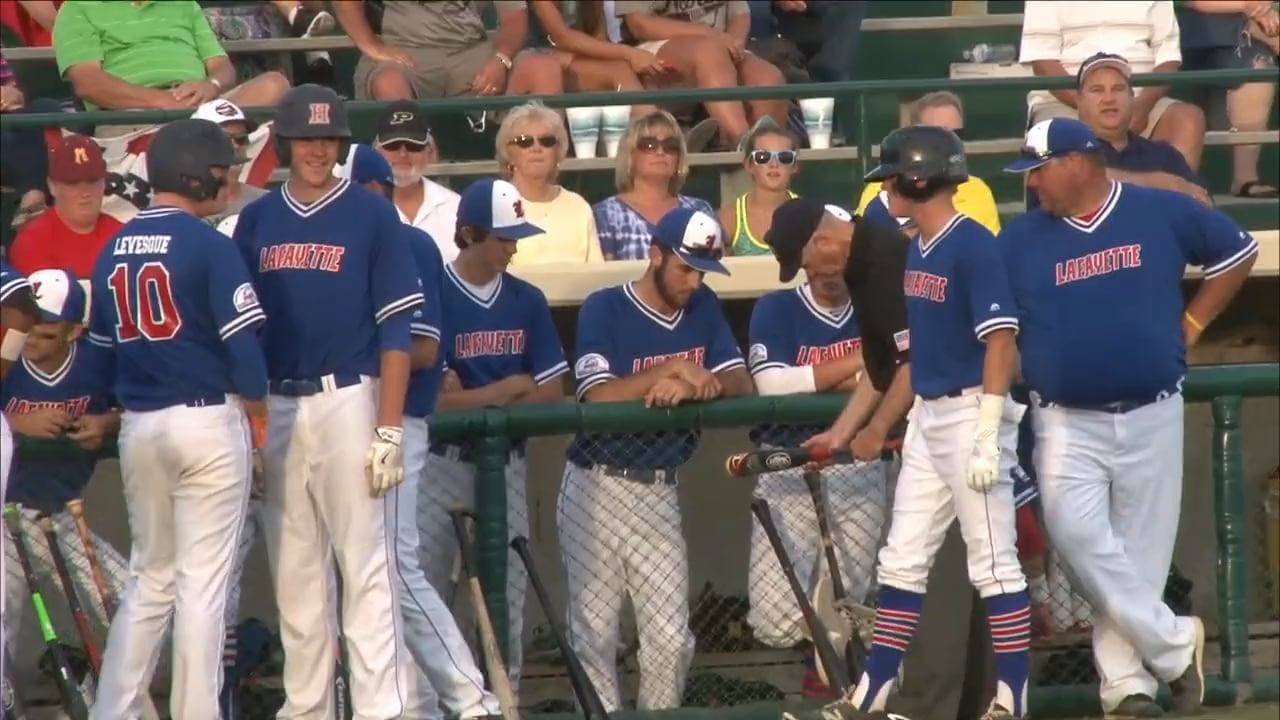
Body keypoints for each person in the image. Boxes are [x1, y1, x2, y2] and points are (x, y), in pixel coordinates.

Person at [1001, 117, 1259, 718]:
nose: (1033, 183)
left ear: (1077, 162)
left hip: (1151, 412)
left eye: (1039, 169)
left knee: (1139, 557)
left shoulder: (1156, 211)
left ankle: (1128, 687)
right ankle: (1173, 647)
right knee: (1075, 534)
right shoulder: (1019, 240)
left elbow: (1239, 251)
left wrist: (1191, 326)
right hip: (1065, 419)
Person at [804, 126, 1030, 720]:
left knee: (992, 562)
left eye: (892, 179)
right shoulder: (920, 246)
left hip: (973, 411)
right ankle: (872, 694)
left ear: (919, 178)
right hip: (931, 414)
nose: (886, 190)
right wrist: (861, 426)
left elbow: (1002, 342)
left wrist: (986, 431)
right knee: (901, 559)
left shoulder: (972, 244)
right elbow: (907, 360)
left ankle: (1012, 699)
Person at [231, 84, 424, 718]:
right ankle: (307, 708)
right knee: (297, 578)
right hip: (279, 406)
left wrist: (389, 429)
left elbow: (398, 330)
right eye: (307, 138)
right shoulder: (257, 219)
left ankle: (383, 712)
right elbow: (243, 336)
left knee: (366, 567)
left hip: (349, 398)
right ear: (286, 143)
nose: (318, 149)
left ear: (341, 144)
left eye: (328, 139)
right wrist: (252, 428)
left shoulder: (371, 214)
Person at [87, 117, 269, 720]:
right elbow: (247, 358)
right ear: (193, 173)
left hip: (140, 427)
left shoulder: (113, 246)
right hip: (206, 423)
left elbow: (102, 353)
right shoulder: (209, 245)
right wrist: (260, 418)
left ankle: (115, 711)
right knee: (202, 586)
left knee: (149, 578)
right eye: (221, 169)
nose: (228, 178)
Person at [562, 207, 753, 711]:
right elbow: (596, 398)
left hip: (659, 487)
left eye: (702, 271)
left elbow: (740, 381)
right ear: (655, 255)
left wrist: (698, 388)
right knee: (595, 635)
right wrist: (669, 370)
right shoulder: (605, 307)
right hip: (594, 485)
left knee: (670, 639)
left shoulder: (704, 306)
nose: (693, 282)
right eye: (685, 268)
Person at [418, 177, 571, 695]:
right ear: (470, 234)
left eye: (514, 238)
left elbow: (552, 390)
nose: (512, 247)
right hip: (440, 462)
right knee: (426, 596)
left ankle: (502, 700)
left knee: (506, 596)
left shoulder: (526, 299)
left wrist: (472, 395)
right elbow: (431, 401)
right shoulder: (432, 291)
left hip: (507, 463)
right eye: (503, 238)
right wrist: (507, 387)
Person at [745, 221, 885, 699]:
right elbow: (772, 384)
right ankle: (816, 668)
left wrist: (820, 376)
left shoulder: (874, 303)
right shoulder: (776, 307)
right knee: (774, 618)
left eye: (837, 268)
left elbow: (892, 373)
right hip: (788, 462)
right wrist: (856, 365)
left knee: (848, 602)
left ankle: (833, 688)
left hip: (856, 465)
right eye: (818, 269)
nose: (829, 277)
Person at [0, 269, 129, 701]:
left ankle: (99, 699)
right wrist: (16, 424)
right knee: (5, 625)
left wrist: (107, 423)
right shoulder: (6, 357)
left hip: (62, 514)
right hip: (7, 515)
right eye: (28, 330)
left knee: (131, 608)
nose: (31, 341)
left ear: (75, 331)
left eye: (47, 334)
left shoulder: (97, 361)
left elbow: (138, 411)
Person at [1018, 0, 1207, 171]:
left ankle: (1176, 202)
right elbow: (1043, 63)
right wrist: (1089, 106)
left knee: (1188, 119)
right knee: (1060, 134)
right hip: (1066, 103)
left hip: (1141, 99)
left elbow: (1169, 59)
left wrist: (1140, 106)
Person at [52, 0, 288, 117]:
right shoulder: (77, 8)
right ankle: (209, 137)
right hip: (134, 114)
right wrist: (161, 101)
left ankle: (205, 133)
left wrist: (210, 85)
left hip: (200, 107)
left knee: (275, 84)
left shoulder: (183, 4)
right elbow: (88, 84)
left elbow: (222, 67)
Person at [615, 0, 788, 149]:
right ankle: (741, 143)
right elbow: (640, 25)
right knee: (709, 52)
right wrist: (709, 34)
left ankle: (769, 155)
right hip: (654, 50)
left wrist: (735, 44)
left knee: (768, 78)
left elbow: (740, 14)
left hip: (719, 43)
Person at [1061, 53, 1210, 207]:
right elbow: (1067, 181)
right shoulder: (1065, 152)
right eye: (1097, 90)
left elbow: (1202, 204)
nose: (1109, 99)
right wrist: (1158, 183)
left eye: (1118, 89)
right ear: (1079, 101)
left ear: (1132, 98)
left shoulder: (1165, 156)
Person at [340, 0, 561, 101]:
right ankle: (417, 179)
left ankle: (541, 188)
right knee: (388, 81)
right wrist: (371, 46)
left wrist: (501, 59)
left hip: (471, 49)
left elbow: (514, 18)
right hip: (408, 51)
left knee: (544, 68)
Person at [856, 91, 1001, 236]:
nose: (949, 144)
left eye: (957, 135)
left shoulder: (978, 191)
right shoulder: (882, 191)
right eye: (938, 135)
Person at [1179, 0, 1278, 198]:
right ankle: (1245, 177)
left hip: (1251, 26)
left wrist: (1260, 8)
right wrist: (1249, 7)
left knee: (1258, 61)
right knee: (1255, 67)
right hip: (1202, 32)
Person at [595, 110, 716, 260]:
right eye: (649, 145)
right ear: (630, 155)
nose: (660, 152)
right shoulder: (606, 215)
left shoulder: (699, 210)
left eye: (670, 146)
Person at [496, 101, 604, 264]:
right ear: (508, 153)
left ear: (558, 151)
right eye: (524, 141)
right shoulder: (495, 205)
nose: (536, 148)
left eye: (547, 141)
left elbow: (597, 274)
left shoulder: (578, 206)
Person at [9, 135, 124, 278]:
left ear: (103, 183)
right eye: (73, 183)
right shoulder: (33, 241)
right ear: (52, 186)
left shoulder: (122, 236)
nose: (85, 192)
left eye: (92, 181)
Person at [527, 0, 665, 117]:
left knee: (624, 68)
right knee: (619, 71)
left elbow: (600, 38)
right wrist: (630, 53)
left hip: (577, 56)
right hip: (540, 58)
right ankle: (652, 129)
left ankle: (650, 128)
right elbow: (562, 38)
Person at [372, 101, 463, 262]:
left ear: (429, 152)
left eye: (413, 145)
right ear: (376, 150)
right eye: (393, 145)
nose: (403, 154)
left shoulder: (458, 209)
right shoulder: (357, 210)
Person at [719, 116, 800, 256]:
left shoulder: (810, 216)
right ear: (749, 165)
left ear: (795, 166)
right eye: (763, 157)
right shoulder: (729, 218)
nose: (774, 164)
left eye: (784, 157)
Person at [189, 98, 270, 233]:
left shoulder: (267, 203)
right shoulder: (180, 205)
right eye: (224, 139)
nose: (235, 146)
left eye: (241, 139)